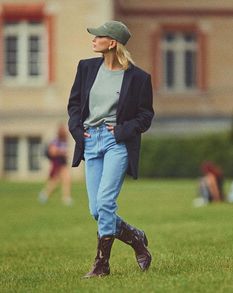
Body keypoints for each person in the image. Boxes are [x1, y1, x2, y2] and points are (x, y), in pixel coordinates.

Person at [67, 20, 154, 278]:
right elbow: (74, 104)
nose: (93, 40)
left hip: (117, 142)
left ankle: (101, 264)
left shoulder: (138, 77)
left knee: (106, 202)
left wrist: (121, 131)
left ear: (112, 42)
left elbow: (145, 115)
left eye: (99, 36)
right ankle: (136, 239)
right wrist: (76, 129)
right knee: (96, 209)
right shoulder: (86, 68)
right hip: (90, 141)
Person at [38, 125, 73, 206]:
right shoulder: (55, 141)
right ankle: (44, 195)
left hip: (63, 163)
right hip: (57, 164)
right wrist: (62, 152)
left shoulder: (64, 141)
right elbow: (52, 152)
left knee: (67, 179)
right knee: (55, 182)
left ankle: (66, 198)